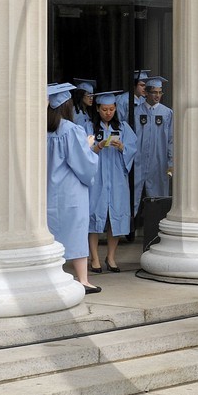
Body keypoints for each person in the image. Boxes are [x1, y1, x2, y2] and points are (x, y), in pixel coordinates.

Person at [40, 83, 99, 297]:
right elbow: (83, 164)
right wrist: (89, 145)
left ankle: (50, 277)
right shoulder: (71, 130)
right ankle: (82, 279)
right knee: (76, 231)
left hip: (47, 189)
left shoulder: (39, 128)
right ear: (66, 106)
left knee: (51, 232)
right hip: (70, 190)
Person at [87, 91, 138, 274]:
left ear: (115, 108)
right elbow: (84, 151)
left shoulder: (123, 127)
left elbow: (133, 148)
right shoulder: (90, 127)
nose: (108, 112)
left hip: (117, 178)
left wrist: (122, 147)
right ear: (98, 109)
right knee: (94, 215)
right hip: (97, 178)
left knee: (115, 217)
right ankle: (94, 258)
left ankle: (111, 257)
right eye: (105, 109)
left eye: (111, 109)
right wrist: (98, 146)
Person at [133, 76, 174, 245]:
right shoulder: (136, 111)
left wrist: (171, 162)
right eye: (154, 92)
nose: (157, 96)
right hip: (138, 159)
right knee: (133, 194)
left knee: (158, 197)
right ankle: (131, 229)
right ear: (147, 94)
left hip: (159, 161)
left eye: (160, 92)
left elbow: (171, 139)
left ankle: (157, 233)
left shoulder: (166, 113)